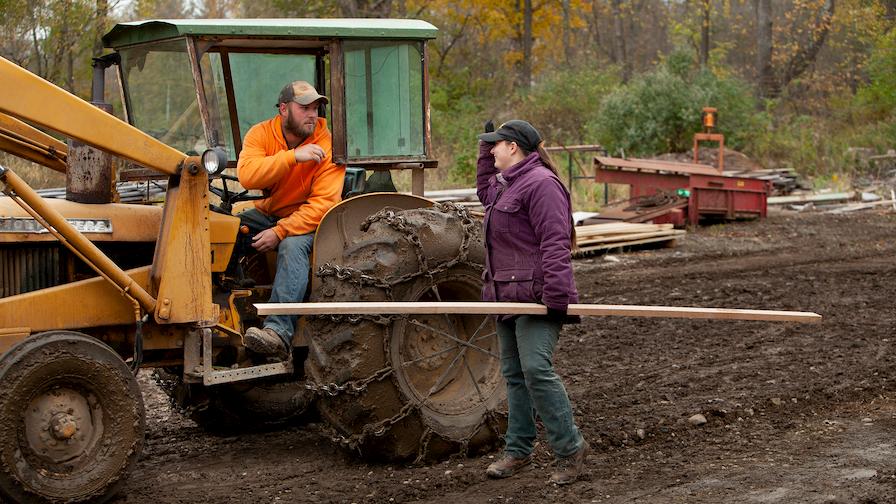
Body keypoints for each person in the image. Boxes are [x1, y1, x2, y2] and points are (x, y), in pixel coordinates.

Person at [476, 119, 588, 485]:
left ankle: (570, 450)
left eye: (496, 145)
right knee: (513, 374)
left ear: (514, 147)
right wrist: (482, 147)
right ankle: (518, 450)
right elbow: (483, 191)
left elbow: (555, 243)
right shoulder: (505, 185)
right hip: (505, 294)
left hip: (538, 296)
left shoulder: (542, 185)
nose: (492, 150)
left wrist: (556, 299)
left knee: (536, 370)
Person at [236, 80, 345, 360]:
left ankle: (278, 332)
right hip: (269, 213)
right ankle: (230, 316)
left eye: (316, 108)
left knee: (292, 246)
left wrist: (281, 231)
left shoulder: (326, 143)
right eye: (304, 108)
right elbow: (247, 175)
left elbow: (323, 205)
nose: (313, 114)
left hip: (310, 222)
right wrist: (292, 157)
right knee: (229, 231)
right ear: (284, 109)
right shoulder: (260, 133)